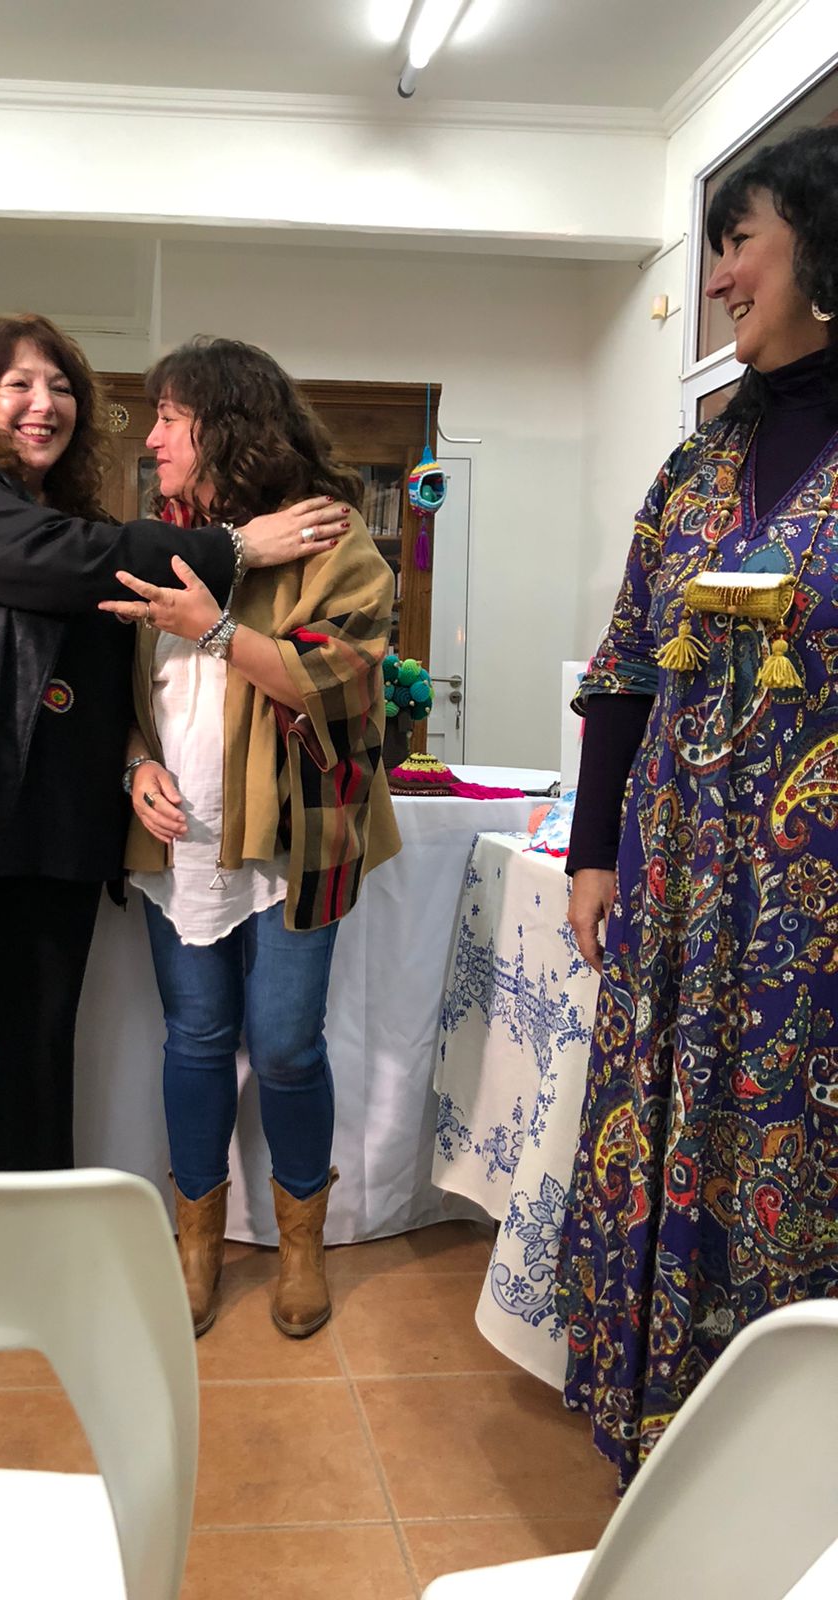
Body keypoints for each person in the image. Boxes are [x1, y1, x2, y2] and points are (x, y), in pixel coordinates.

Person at [0, 313, 350, 1180]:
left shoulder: (78, 523)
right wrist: (238, 546)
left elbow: (107, 675)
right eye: (18, 384)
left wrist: (133, 760)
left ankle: (33, 1242)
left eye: (60, 388)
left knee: (40, 1048)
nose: (44, 403)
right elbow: (51, 559)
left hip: (47, 825)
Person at [559, 126, 838, 1489]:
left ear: (821, 252)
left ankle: (794, 1473)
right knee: (671, 1134)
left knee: (796, 1154)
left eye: (740, 242)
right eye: (715, 248)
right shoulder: (697, 465)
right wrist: (591, 853)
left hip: (815, 914)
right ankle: (668, 1447)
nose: (719, 276)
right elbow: (622, 669)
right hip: (673, 887)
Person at [100, 336, 400, 1338]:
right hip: (179, 845)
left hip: (298, 840)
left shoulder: (329, 537)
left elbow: (343, 682)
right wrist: (134, 764)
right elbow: (117, 689)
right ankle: (196, 1245)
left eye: (169, 419)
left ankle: (302, 1245)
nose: (152, 440)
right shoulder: (159, 542)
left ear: (226, 428)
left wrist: (218, 628)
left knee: (283, 1045)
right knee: (193, 1041)